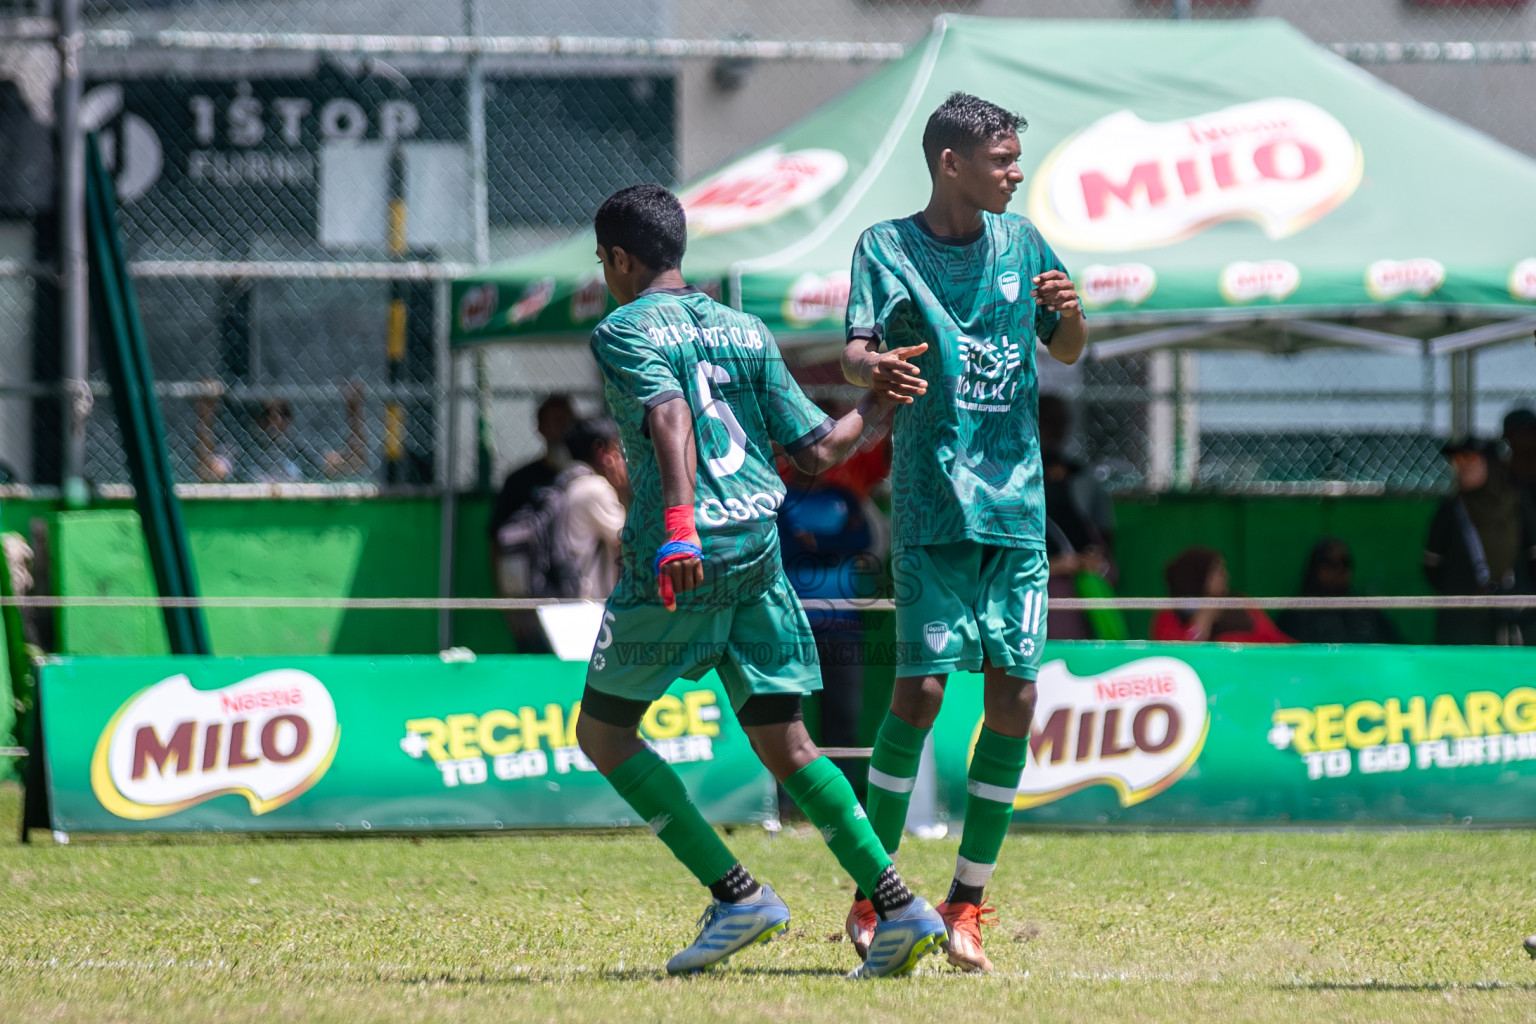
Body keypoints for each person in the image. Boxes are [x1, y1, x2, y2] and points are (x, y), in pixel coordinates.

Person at [575, 184, 946, 980]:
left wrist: (676, 526)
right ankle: (899, 906)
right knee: (788, 741)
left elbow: (669, 418)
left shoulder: (621, 329)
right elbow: (816, 450)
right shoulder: (743, 328)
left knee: (603, 733)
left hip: (681, 558)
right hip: (757, 549)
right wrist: (875, 408)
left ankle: (738, 894)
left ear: (618, 259)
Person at [841, 92, 1089, 973]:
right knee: (921, 696)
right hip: (933, 505)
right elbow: (856, 350)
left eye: (1017, 158)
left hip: (1018, 509)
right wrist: (874, 366)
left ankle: (968, 902)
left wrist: (1068, 309)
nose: (1016, 173)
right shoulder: (886, 245)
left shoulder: (1023, 244)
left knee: (1016, 696)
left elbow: (1067, 347)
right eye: (1002, 159)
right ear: (952, 163)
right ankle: (875, 889)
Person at [777, 441, 880, 793]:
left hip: (844, 625)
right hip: (790, 624)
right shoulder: (778, 498)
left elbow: (861, 538)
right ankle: (788, 801)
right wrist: (832, 546)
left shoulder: (846, 498)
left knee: (843, 716)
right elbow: (784, 548)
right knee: (784, 721)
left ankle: (846, 797)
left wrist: (816, 545)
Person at [1423, 438, 1536, 645]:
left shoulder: (1518, 504)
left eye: (1469, 459)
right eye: (1456, 461)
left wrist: (1519, 594)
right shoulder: (1450, 511)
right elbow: (1432, 570)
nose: (1461, 467)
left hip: (1517, 624)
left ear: (1491, 464)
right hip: (1465, 623)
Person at [1038, 394, 1117, 641]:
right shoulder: (1011, 491)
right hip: (1039, 607)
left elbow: (1105, 552)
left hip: (1079, 612)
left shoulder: (1082, 481)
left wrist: (1094, 562)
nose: (1058, 430)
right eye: (1049, 422)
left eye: (1061, 423)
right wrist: (1054, 565)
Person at [192, 380, 367, 484]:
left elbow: (354, 463)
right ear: (255, 420)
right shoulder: (241, 453)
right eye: (266, 413)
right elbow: (207, 471)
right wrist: (206, 416)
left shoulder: (300, 453)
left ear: (290, 420)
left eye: (283, 413)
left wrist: (354, 410)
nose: (275, 420)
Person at [1150, 546, 1293, 644]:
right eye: (1217, 571)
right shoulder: (1170, 614)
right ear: (1196, 575)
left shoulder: (1240, 602)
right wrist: (1205, 615)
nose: (1225, 575)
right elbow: (1181, 652)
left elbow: (1274, 639)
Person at [1276, 539, 1402, 644]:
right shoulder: (1297, 612)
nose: (1340, 569)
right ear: (1315, 568)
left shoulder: (1366, 611)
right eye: (1330, 563)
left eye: (1345, 563)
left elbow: (1398, 649)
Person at [557, 416, 629, 600]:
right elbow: (630, 542)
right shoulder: (595, 489)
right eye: (618, 448)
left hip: (565, 602)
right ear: (601, 451)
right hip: (587, 608)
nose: (623, 459)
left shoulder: (566, 482)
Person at [489, 394, 575, 538]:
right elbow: (498, 536)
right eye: (557, 421)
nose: (564, 428)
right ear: (541, 427)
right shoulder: (519, 481)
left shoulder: (587, 478)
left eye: (570, 422)